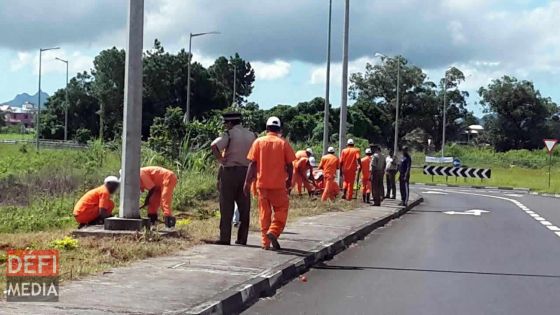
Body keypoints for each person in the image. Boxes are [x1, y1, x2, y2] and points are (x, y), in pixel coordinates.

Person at [244, 116, 296, 250]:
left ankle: (265, 243)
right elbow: (290, 165)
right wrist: (290, 180)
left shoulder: (258, 142)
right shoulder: (283, 143)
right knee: (281, 210)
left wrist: (247, 182)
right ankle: (273, 231)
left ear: (266, 128)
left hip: (262, 185)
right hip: (278, 186)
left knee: (264, 214)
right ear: (279, 129)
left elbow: (252, 164)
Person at [210, 112, 256, 245]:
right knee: (244, 207)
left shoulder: (229, 134)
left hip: (230, 172)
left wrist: (221, 159)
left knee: (226, 206)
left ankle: (225, 238)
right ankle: (242, 239)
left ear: (229, 123)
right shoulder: (252, 135)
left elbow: (214, 145)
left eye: (226, 123)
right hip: (246, 172)